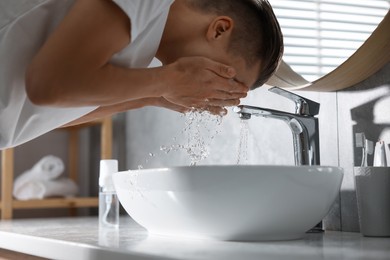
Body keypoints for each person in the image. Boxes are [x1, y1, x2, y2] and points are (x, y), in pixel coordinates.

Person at [0, 0, 283, 149]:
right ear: (219, 29)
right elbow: (48, 86)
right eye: (228, 81)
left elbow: (42, 113)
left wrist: (154, 96)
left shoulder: (142, 46)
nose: (216, 93)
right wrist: (167, 81)